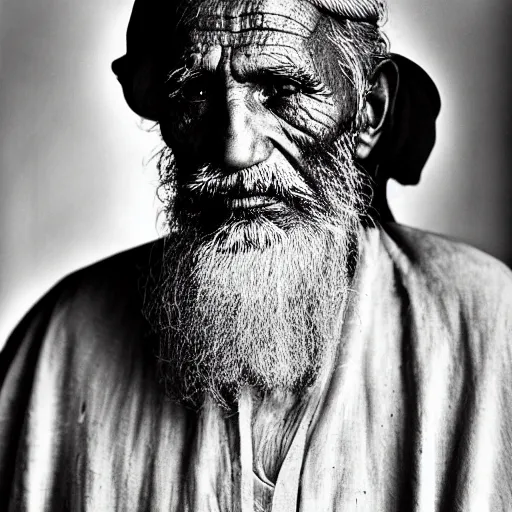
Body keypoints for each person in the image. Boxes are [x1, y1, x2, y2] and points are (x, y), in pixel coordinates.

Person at [1, 0, 511, 510]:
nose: (234, 149)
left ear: (368, 111)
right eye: (196, 93)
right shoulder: (60, 345)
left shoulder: (487, 330)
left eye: (281, 90)